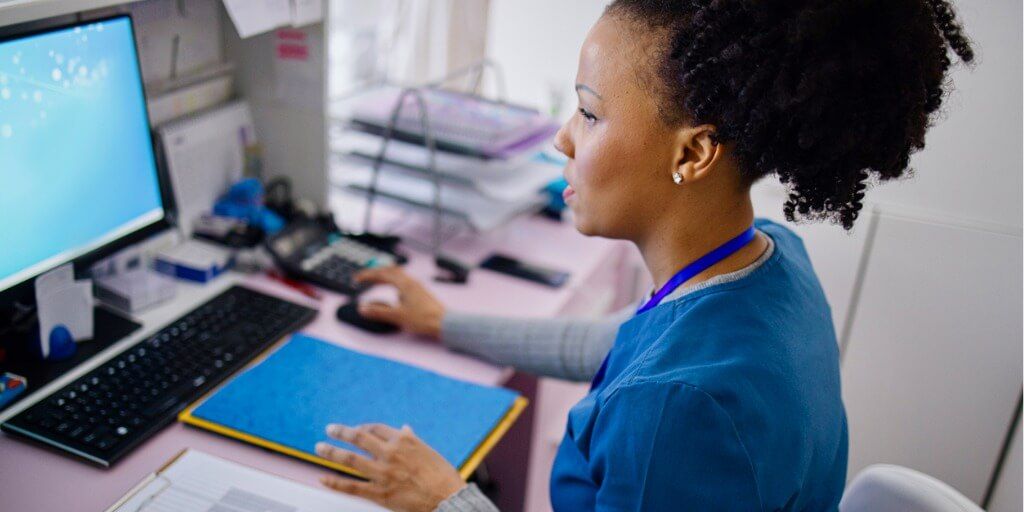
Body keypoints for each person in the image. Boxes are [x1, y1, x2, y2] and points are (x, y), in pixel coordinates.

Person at [313, 0, 974, 510]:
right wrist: (443, 324)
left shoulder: (676, 410)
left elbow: (657, 380)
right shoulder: (773, 264)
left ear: (692, 153)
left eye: (589, 114)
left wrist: (443, 497)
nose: (562, 139)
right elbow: (620, 344)